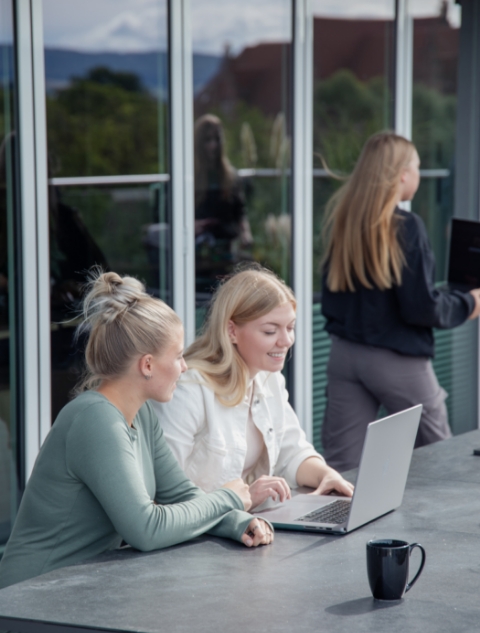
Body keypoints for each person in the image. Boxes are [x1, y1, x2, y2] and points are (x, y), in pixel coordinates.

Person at [0, 271, 272, 590]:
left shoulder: (140, 414)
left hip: (79, 588)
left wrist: (236, 522)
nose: (184, 367)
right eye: (178, 355)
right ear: (147, 365)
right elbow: (146, 528)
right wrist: (228, 499)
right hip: (30, 597)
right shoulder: (94, 419)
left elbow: (179, 493)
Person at [320, 131, 480, 472]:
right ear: (402, 174)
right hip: (397, 362)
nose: (420, 175)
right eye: (418, 167)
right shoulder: (407, 226)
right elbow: (421, 307)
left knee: (341, 467)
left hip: (344, 356)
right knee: (441, 458)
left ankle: (335, 524)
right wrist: (470, 303)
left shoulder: (344, 222)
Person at [153, 267, 354, 510]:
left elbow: (292, 452)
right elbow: (164, 495)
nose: (286, 340)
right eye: (270, 330)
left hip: (248, 528)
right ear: (232, 331)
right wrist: (243, 498)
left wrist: (325, 475)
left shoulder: (269, 378)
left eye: (290, 327)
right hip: (200, 540)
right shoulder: (189, 390)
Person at [194, 114, 253, 293]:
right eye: (207, 140)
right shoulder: (190, 177)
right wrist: (192, 227)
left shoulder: (230, 176)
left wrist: (245, 233)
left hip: (226, 247)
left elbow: (240, 211)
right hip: (198, 250)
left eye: (217, 139)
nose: (213, 145)